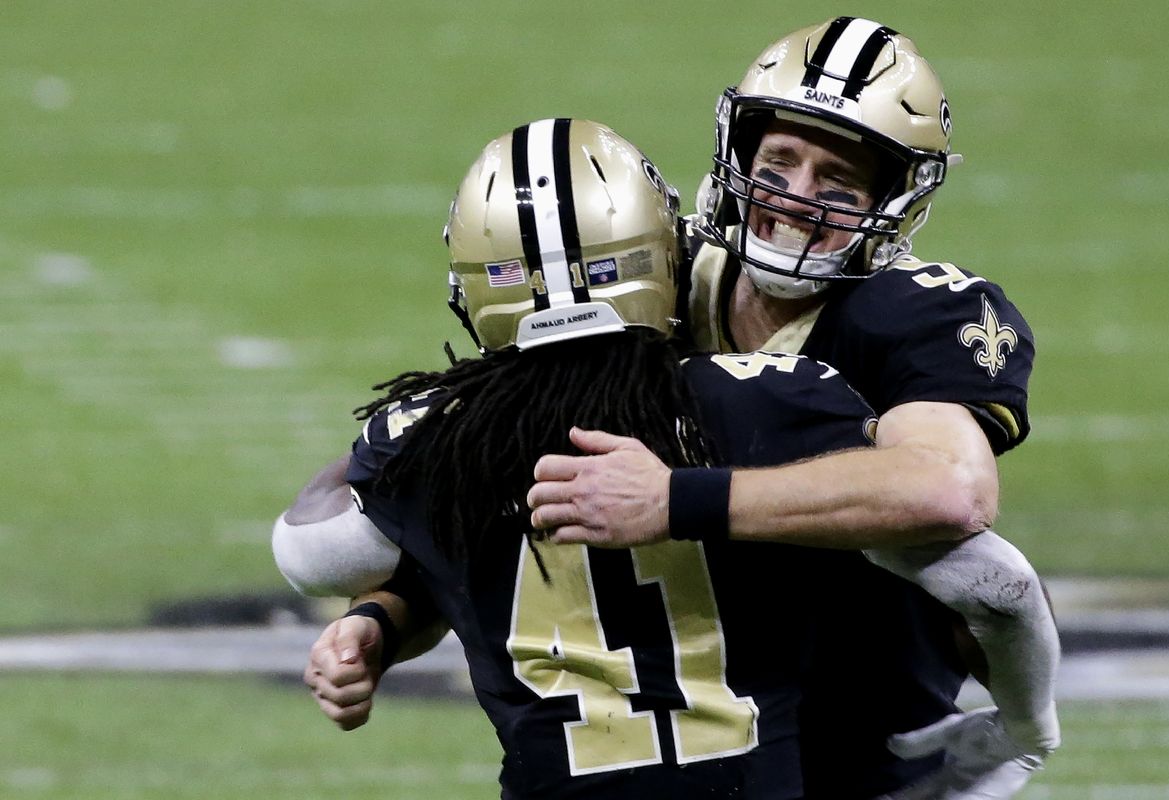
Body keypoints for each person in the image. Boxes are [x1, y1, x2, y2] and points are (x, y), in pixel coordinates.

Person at [275, 118, 894, 799]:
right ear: (661, 250)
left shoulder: (433, 445)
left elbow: (317, 553)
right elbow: (949, 536)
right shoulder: (773, 401)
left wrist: (382, 603)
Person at [524, 18, 1060, 800]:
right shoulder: (656, 276)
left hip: (863, 725)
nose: (796, 198)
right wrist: (387, 615)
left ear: (895, 199)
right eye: (779, 162)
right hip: (677, 728)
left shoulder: (918, 312)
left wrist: (676, 499)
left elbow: (953, 493)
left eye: (837, 182)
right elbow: (507, 436)